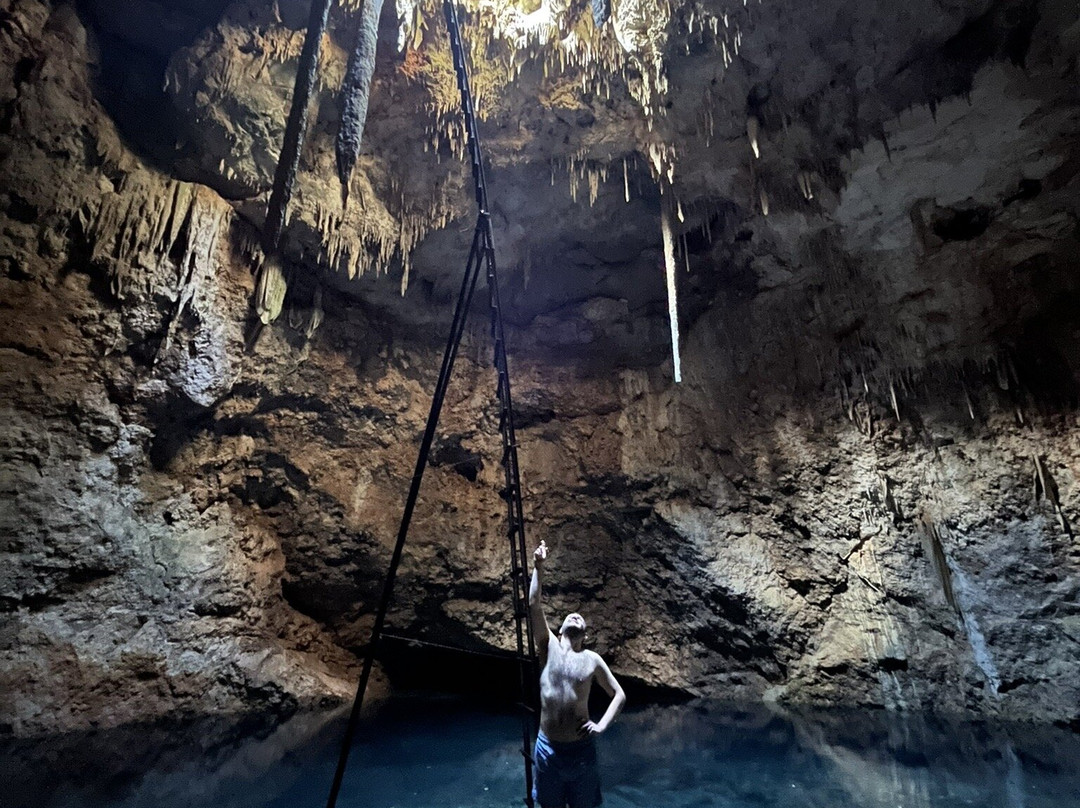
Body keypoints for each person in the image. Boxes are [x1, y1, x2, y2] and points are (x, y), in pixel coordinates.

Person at [529, 540, 626, 808]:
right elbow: (534, 603)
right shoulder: (547, 645)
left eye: (580, 619)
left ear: (584, 635)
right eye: (570, 616)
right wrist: (538, 565)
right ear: (559, 630)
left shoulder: (591, 659)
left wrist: (602, 725)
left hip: (580, 750)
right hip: (548, 747)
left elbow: (618, 694)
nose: (575, 616)